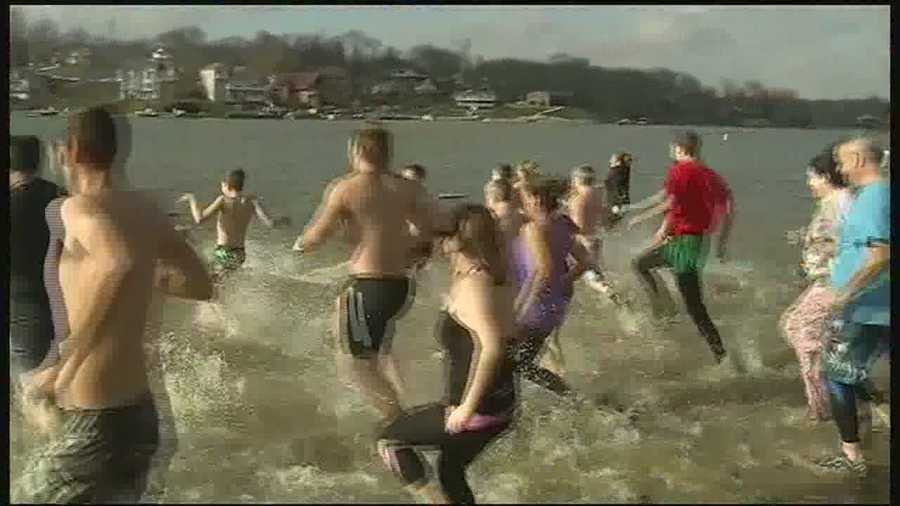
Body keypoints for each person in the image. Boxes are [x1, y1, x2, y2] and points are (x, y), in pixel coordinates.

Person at [14, 107, 213, 503]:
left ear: (69, 151)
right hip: (139, 414)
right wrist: (147, 277)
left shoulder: (78, 208)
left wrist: (59, 367)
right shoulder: (146, 210)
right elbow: (200, 284)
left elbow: (115, 262)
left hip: (94, 417)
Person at [377, 205, 517, 504]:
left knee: (389, 439)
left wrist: (467, 407)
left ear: (459, 241)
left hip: (479, 409)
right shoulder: (493, 274)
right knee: (451, 471)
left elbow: (492, 346)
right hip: (501, 403)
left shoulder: (475, 287)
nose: (441, 242)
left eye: (446, 236)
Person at [293, 128, 433, 421]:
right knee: (371, 354)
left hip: (369, 285)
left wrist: (299, 246)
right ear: (388, 154)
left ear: (355, 152)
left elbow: (317, 236)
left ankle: (398, 424)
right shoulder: (407, 188)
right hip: (399, 287)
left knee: (355, 365)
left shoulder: (346, 188)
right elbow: (427, 230)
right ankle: (391, 410)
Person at [815, 138, 890, 477]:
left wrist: (843, 294)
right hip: (876, 305)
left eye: (843, 162)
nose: (840, 169)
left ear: (859, 159)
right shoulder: (876, 196)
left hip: (867, 307)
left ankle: (852, 457)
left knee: (836, 374)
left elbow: (880, 256)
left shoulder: (874, 198)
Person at [628, 131, 735, 364]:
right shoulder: (711, 175)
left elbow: (670, 203)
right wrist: (722, 243)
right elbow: (729, 208)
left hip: (684, 242)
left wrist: (646, 220)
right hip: (695, 242)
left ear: (678, 148)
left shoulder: (680, 171)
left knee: (694, 305)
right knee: (640, 263)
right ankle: (665, 311)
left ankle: (721, 356)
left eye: (672, 149)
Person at [778, 149, 852, 422]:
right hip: (825, 280)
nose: (808, 183)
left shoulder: (841, 201)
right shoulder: (833, 201)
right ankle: (838, 391)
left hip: (836, 282)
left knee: (798, 329)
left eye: (811, 177)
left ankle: (820, 409)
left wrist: (824, 247)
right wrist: (805, 239)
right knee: (800, 329)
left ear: (826, 177)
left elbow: (852, 241)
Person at [509, 177, 592, 397]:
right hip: (553, 303)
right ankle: (569, 397)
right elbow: (585, 261)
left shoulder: (534, 229)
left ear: (536, 200)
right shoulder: (562, 224)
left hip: (535, 306)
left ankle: (569, 397)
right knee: (520, 362)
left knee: (514, 361)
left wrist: (521, 307)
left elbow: (543, 270)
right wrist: (564, 281)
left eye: (525, 199)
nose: (522, 204)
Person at [9, 135, 67, 382]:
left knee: (31, 392)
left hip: (22, 304)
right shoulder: (60, 196)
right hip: (57, 301)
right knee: (45, 380)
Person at [178, 169, 288, 282]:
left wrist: (192, 199)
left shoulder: (223, 201)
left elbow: (199, 219)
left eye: (222, 186)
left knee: (208, 274)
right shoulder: (252, 201)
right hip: (240, 254)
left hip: (223, 253)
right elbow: (269, 223)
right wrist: (282, 221)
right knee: (222, 280)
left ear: (227, 185)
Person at [566, 164, 624, 304]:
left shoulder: (578, 197)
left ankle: (608, 292)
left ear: (578, 179)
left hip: (583, 241)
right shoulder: (596, 193)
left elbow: (578, 225)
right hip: (595, 238)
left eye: (574, 179)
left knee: (588, 276)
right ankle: (615, 301)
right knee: (595, 272)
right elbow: (604, 215)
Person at [604, 151, 632, 225]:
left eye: (612, 159)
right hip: (621, 202)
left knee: (611, 223)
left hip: (616, 203)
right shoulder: (624, 170)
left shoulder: (615, 172)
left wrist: (615, 205)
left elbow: (616, 188)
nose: (610, 161)